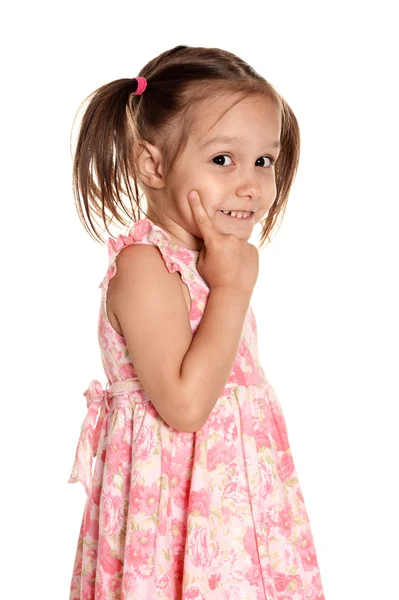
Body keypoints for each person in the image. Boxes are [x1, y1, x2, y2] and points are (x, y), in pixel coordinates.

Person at [67, 44, 326, 600]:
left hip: (234, 516)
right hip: (172, 525)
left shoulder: (212, 260)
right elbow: (184, 408)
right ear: (152, 164)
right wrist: (232, 290)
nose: (251, 184)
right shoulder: (145, 266)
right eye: (222, 160)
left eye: (264, 160)